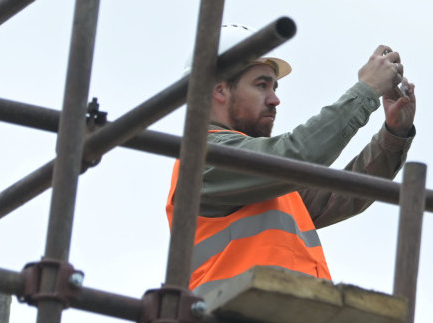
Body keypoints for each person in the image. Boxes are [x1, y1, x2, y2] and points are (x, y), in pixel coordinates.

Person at [166, 24, 417, 297]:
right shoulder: (204, 159)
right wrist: (366, 91)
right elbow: (300, 153)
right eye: (261, 85)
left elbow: (341, 195)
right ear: (220, 90)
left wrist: (393, 134)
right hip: (230, 320)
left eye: (274, 87)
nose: (275, 99)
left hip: (286, 318)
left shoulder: (267, 181)